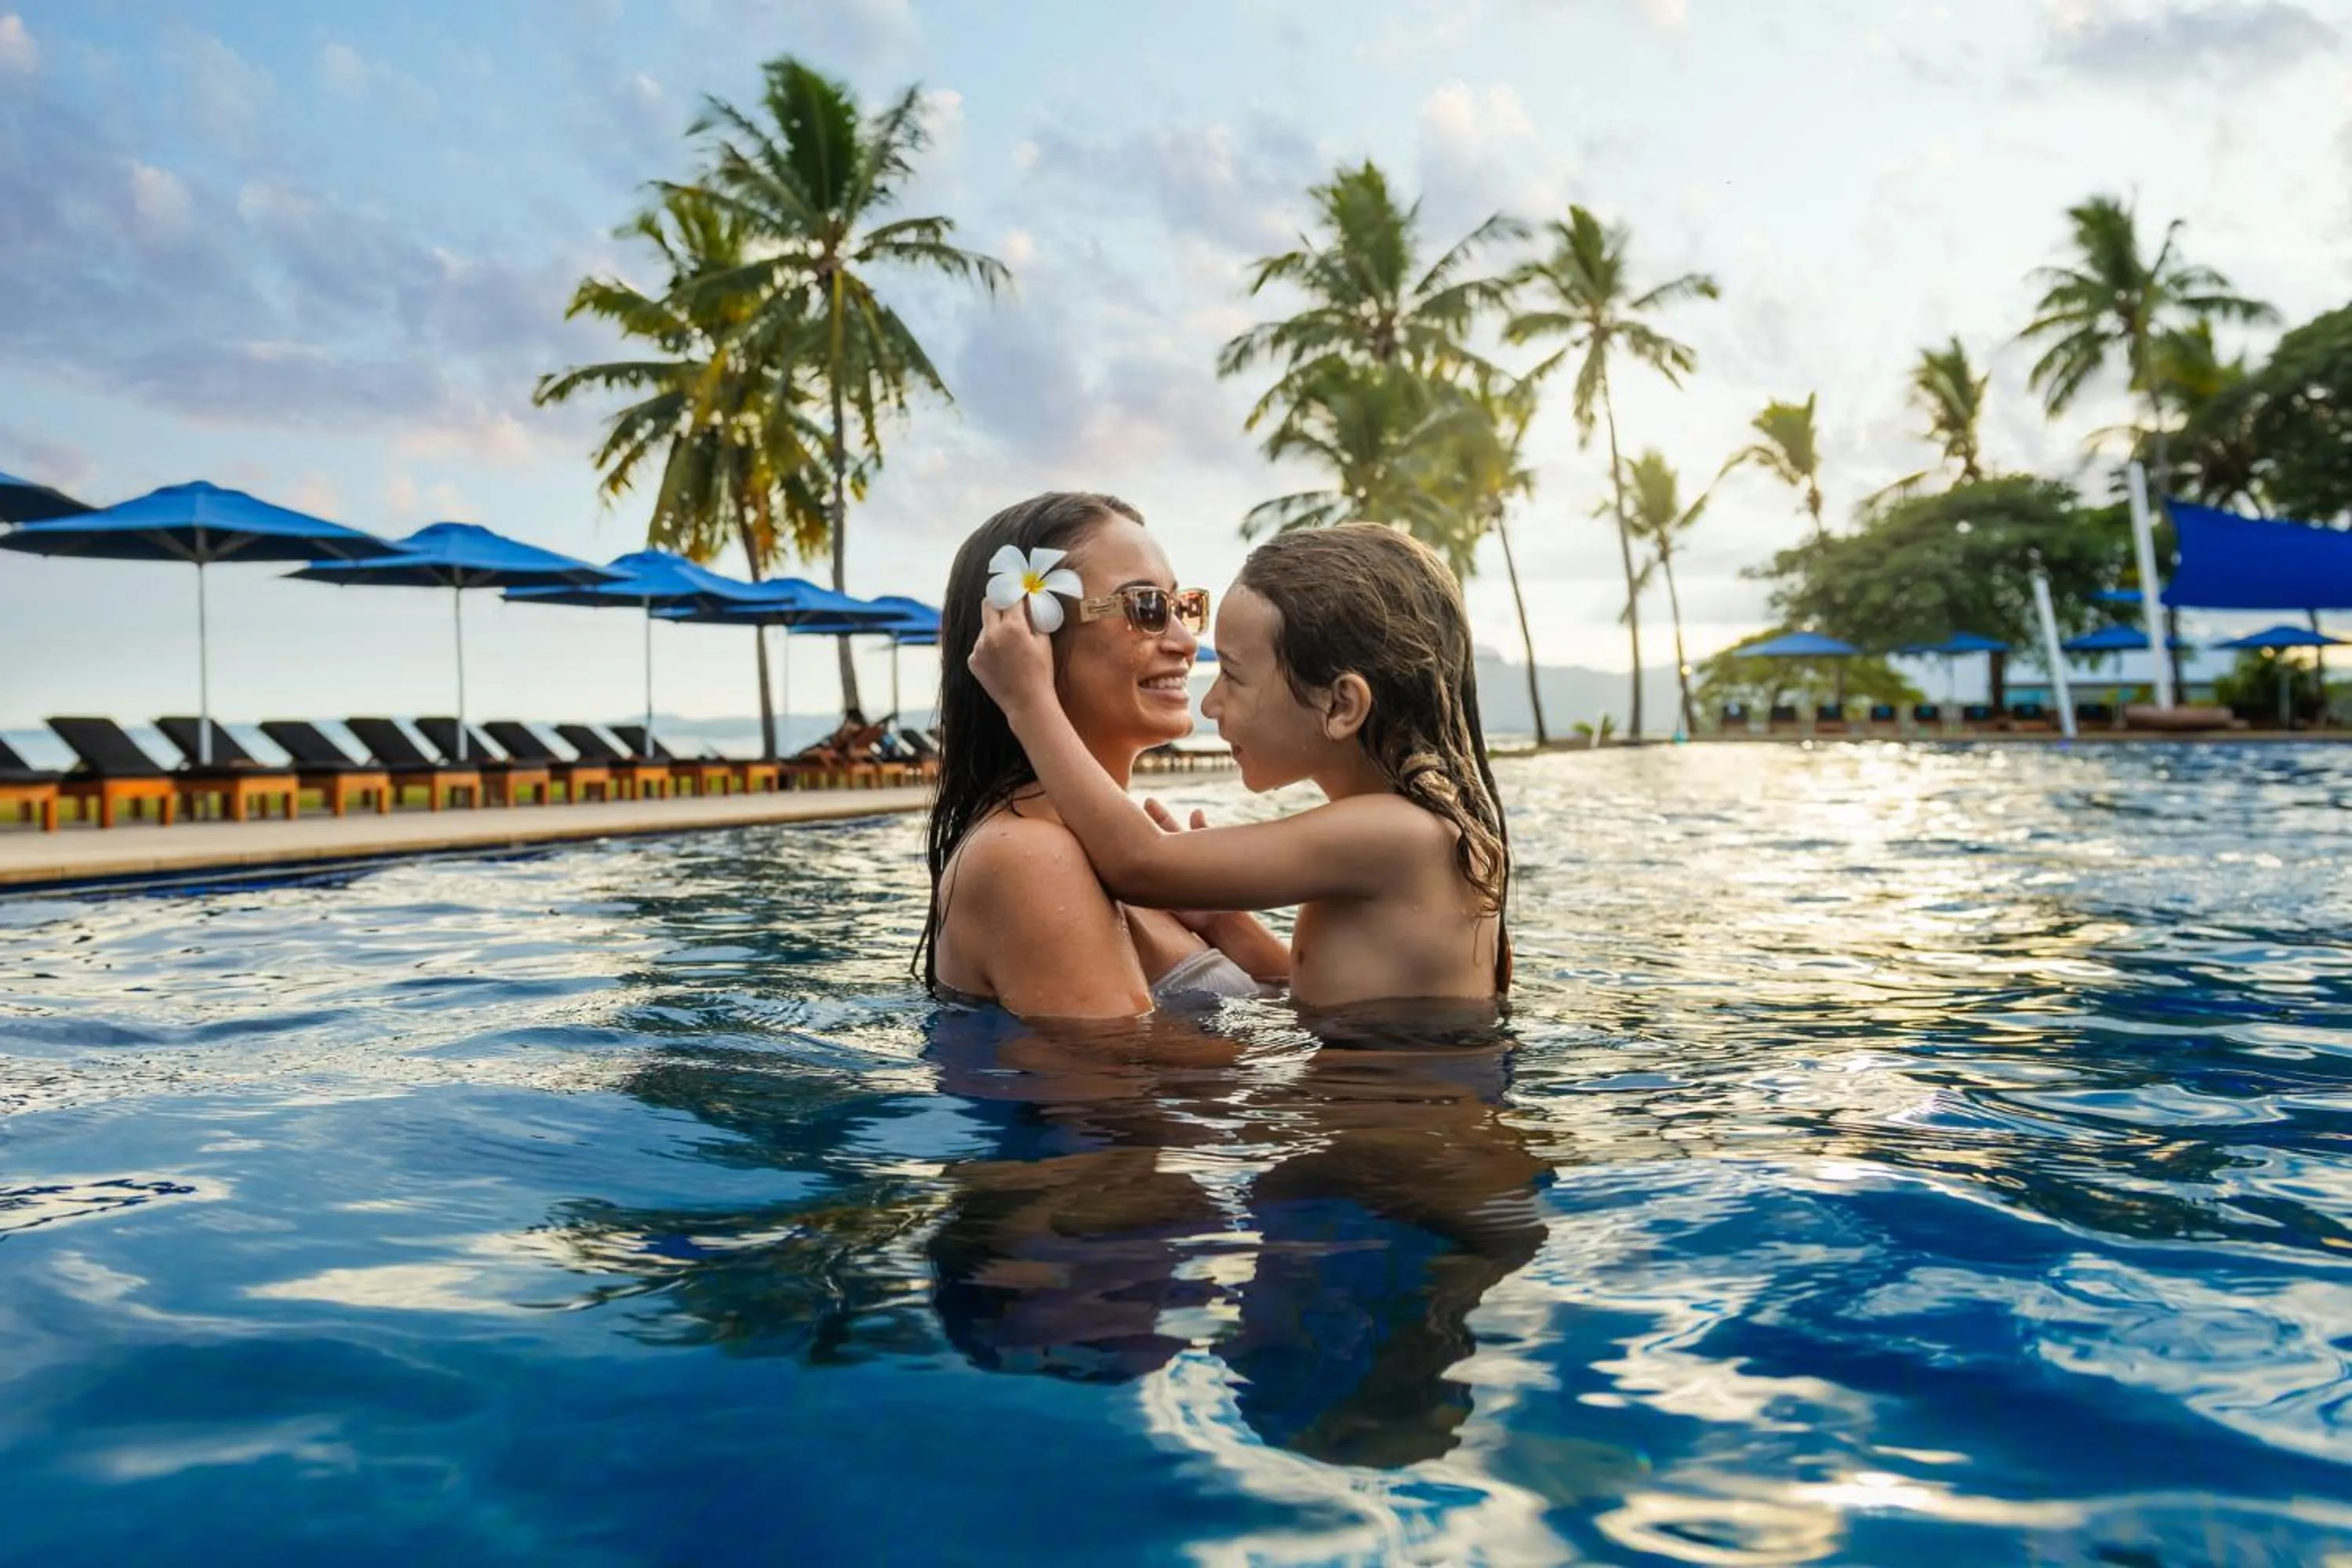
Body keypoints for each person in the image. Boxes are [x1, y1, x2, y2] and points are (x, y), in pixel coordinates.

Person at [969, 523, 1509, 1009]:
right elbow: (1320, 989)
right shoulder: (1408, 831)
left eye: (1231, 674)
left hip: (1387, 1121)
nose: (1209, 703)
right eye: (1148, 607)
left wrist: (1028, 702)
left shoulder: (1394, 833)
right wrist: (1225, 925)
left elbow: (1138, 863)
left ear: (1342, 706)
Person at [921, 492, 1289, 1018]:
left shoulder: (1125, 855)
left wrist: (1224, 921)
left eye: (1182, 607)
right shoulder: (1027, 856)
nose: (1186, 642)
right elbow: (1116, 1095)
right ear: (1029, 640)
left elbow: (1315, 1009)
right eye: (1146, 607)